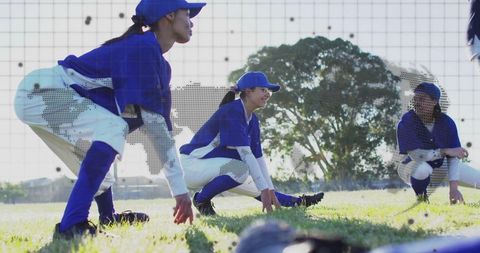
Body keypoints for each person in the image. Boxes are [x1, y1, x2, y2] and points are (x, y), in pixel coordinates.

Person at [13, 0, 205, 239]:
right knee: (114, 128)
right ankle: (71, 226)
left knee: (102, 153)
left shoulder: (157, 61)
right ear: (168, 16)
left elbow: (158, 129)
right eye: (187, 13)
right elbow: (157, 130)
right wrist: (180, 192)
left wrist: (179, 189)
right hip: (42, 92)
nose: (192, 21)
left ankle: (107, 217)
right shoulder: (143, 48)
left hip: (47, 96)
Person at [179, 72, 324, 216]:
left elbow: (258, 158)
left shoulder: (252, 120)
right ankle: (201, 200)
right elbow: (246, 154)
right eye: (263, 89)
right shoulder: (233, 111)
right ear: (248, 92)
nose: (267, 94)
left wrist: (269, 189)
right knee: (243, 170)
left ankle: (299, 202)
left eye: (268, 91)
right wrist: (264, 188)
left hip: (215, 166)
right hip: (193, 165)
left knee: (254, 183)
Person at [396, 82, 480, 203]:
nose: (417, 102)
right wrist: (444, 151)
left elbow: (453, 157)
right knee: (422, 168)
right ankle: (422, 199)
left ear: (434, 101)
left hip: (440, 165)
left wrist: (454, 189)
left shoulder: (446, 122)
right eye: (415, 99)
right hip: (411, 166)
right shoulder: (407, 121)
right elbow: (416, 155)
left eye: (422, 99)